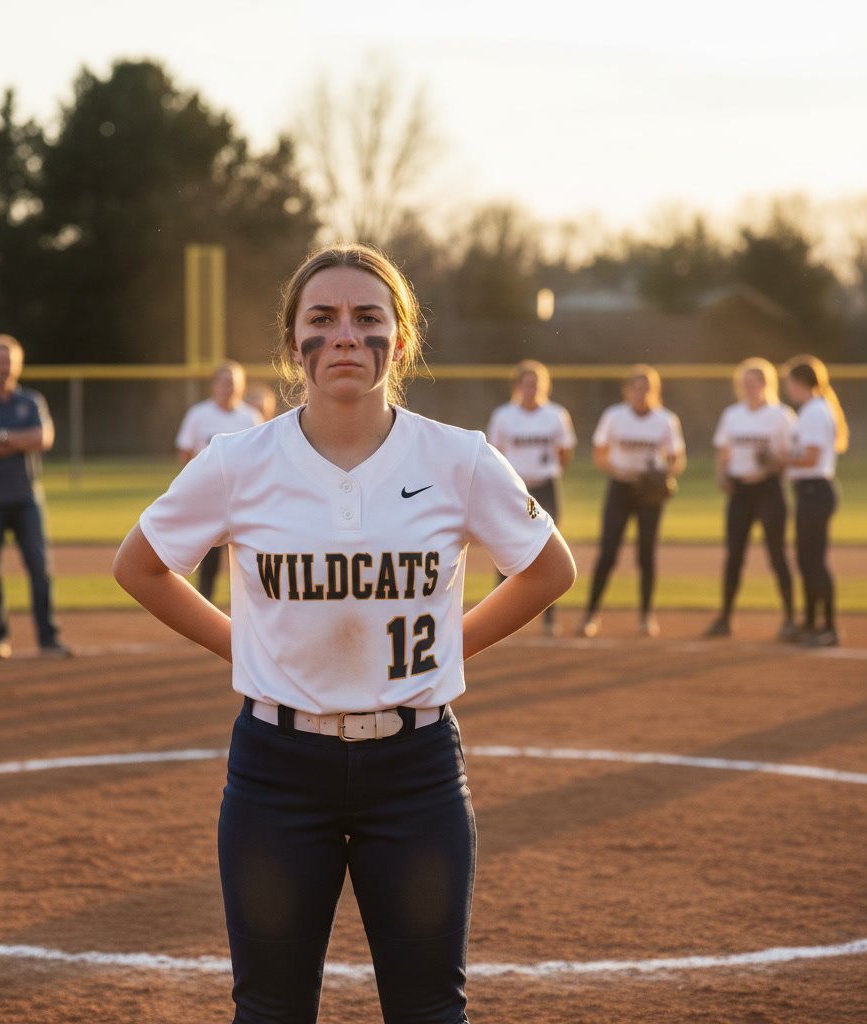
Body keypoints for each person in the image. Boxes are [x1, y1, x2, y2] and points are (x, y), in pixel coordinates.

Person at [113, 242, 576, 1024]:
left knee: (430, 1010)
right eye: (321, 319)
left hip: (417, 767)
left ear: (401, 338)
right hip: (276, 771)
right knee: (270, 1011)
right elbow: (140, 566)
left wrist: (448, 645)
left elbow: (548, 568)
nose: (344, 337)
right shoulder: (238, 461)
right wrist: (245, 646)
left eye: (368, 318)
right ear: (293, 341)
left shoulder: (458, 458)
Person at [0, 334, 71, 659]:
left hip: (27, 498)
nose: (4, 366)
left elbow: (44, 438)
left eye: (10, 359)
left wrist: (0, 437)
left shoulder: (31, 400)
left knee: (40, 569)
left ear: (19, 364)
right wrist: (18, 440)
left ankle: (48, 639)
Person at [578, 364, 686, 639]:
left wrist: (663, 475)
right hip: (620, 488)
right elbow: (599, 454)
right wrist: (621, 471)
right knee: (608, 553)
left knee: (646, 554)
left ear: (656, 392)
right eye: (636, 387)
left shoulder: (665, 420)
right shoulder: (614, 416)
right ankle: (591, 615)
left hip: (649, 494)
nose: (641, 393)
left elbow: (677, 459)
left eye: (646, 388)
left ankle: (646, 616)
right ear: (627, 391)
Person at [704, 358, 797, 640]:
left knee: (777, 555)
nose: (750, 388)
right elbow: (724, 451)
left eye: (755, 383)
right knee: (734, 556)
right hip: (740, 491)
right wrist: (722, 475)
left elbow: (790, 457)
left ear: (767, 385)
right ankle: (725, 618)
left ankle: (791, 618)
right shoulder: (733, 414)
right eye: (745, 384)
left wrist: (771, 462)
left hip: (769, 489)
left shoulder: (781, 415)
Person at [486, 359, 576, 635]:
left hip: (545, 486)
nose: (531, 388)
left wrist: (547, 471)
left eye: (536, 383)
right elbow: (495, 453)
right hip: (515, 490)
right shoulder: (504, 415)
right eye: (526, 383)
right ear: (517, 386)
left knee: (548, 551)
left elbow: (564, 451)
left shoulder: (556, 415)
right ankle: (497, 618)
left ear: (544, 386)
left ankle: (549, 619)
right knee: (505, 549)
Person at [174, 360, 262, 601]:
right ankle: (203, 612)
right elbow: (185, 451)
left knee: (249, 559)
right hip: (208, 497)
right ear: (214, 386)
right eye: (224, 382)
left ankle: (253, 614)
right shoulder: (199, 415)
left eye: (234, 383)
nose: (229, 388)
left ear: (242, 387)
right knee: (208, 562)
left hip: (242, 498)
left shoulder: (250, 417)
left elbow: (260, 458)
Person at [779, 355, 849, 648]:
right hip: (811, 492)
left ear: (799, 383)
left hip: (815, 490)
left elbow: (811, 457)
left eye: (789, 383)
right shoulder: (814, 408)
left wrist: (780, 458)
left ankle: (829, 627)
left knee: (814, 560)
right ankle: (810, 623)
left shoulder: (814, 411)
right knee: (806, 559)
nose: (787, 389)